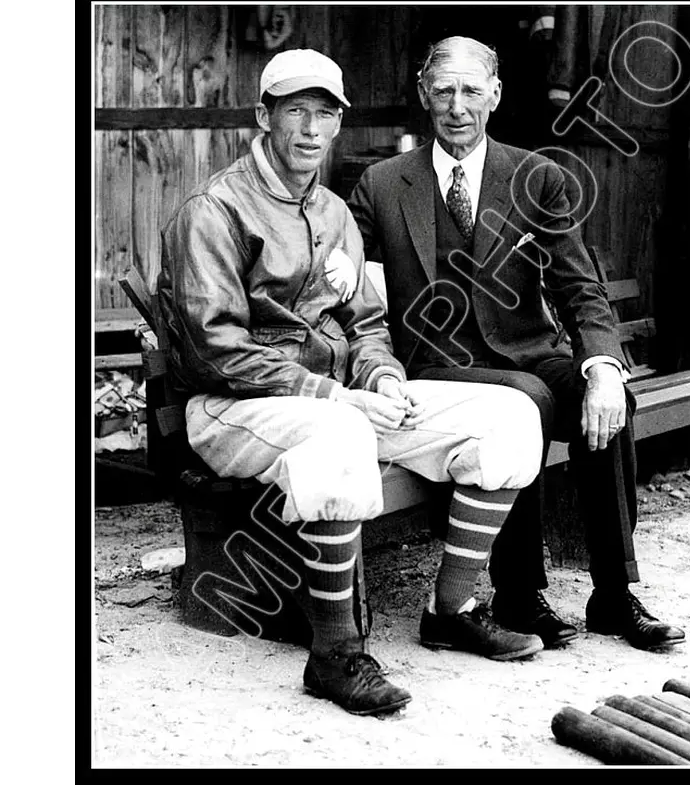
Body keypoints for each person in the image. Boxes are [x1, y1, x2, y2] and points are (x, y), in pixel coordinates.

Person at [157, 48, 547, 718]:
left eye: (325, 114)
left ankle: (450, 611)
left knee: (508, 414)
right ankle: (334, 654)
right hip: (231, 407)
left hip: (335, 398)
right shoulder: (215, 209)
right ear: (264, 116)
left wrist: (384, 376)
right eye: (295, 111)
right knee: (338, 430)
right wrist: (334, 395)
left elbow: (366, 322)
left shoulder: (335, 211)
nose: (311, 129)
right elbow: (213, 349)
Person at [348, 35, 685, 652]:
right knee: (525, 401)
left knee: (606, 400)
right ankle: (520, 595)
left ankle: (613, 594)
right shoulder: (380, 183)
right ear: (425, 96)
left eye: (471, 91)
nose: (457, 106)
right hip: (435, 369)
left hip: (526, 353)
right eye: (444, 90)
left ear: (495, 96)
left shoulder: (537, 178)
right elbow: (359, 292)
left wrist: (604, 369)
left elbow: (580, 286)